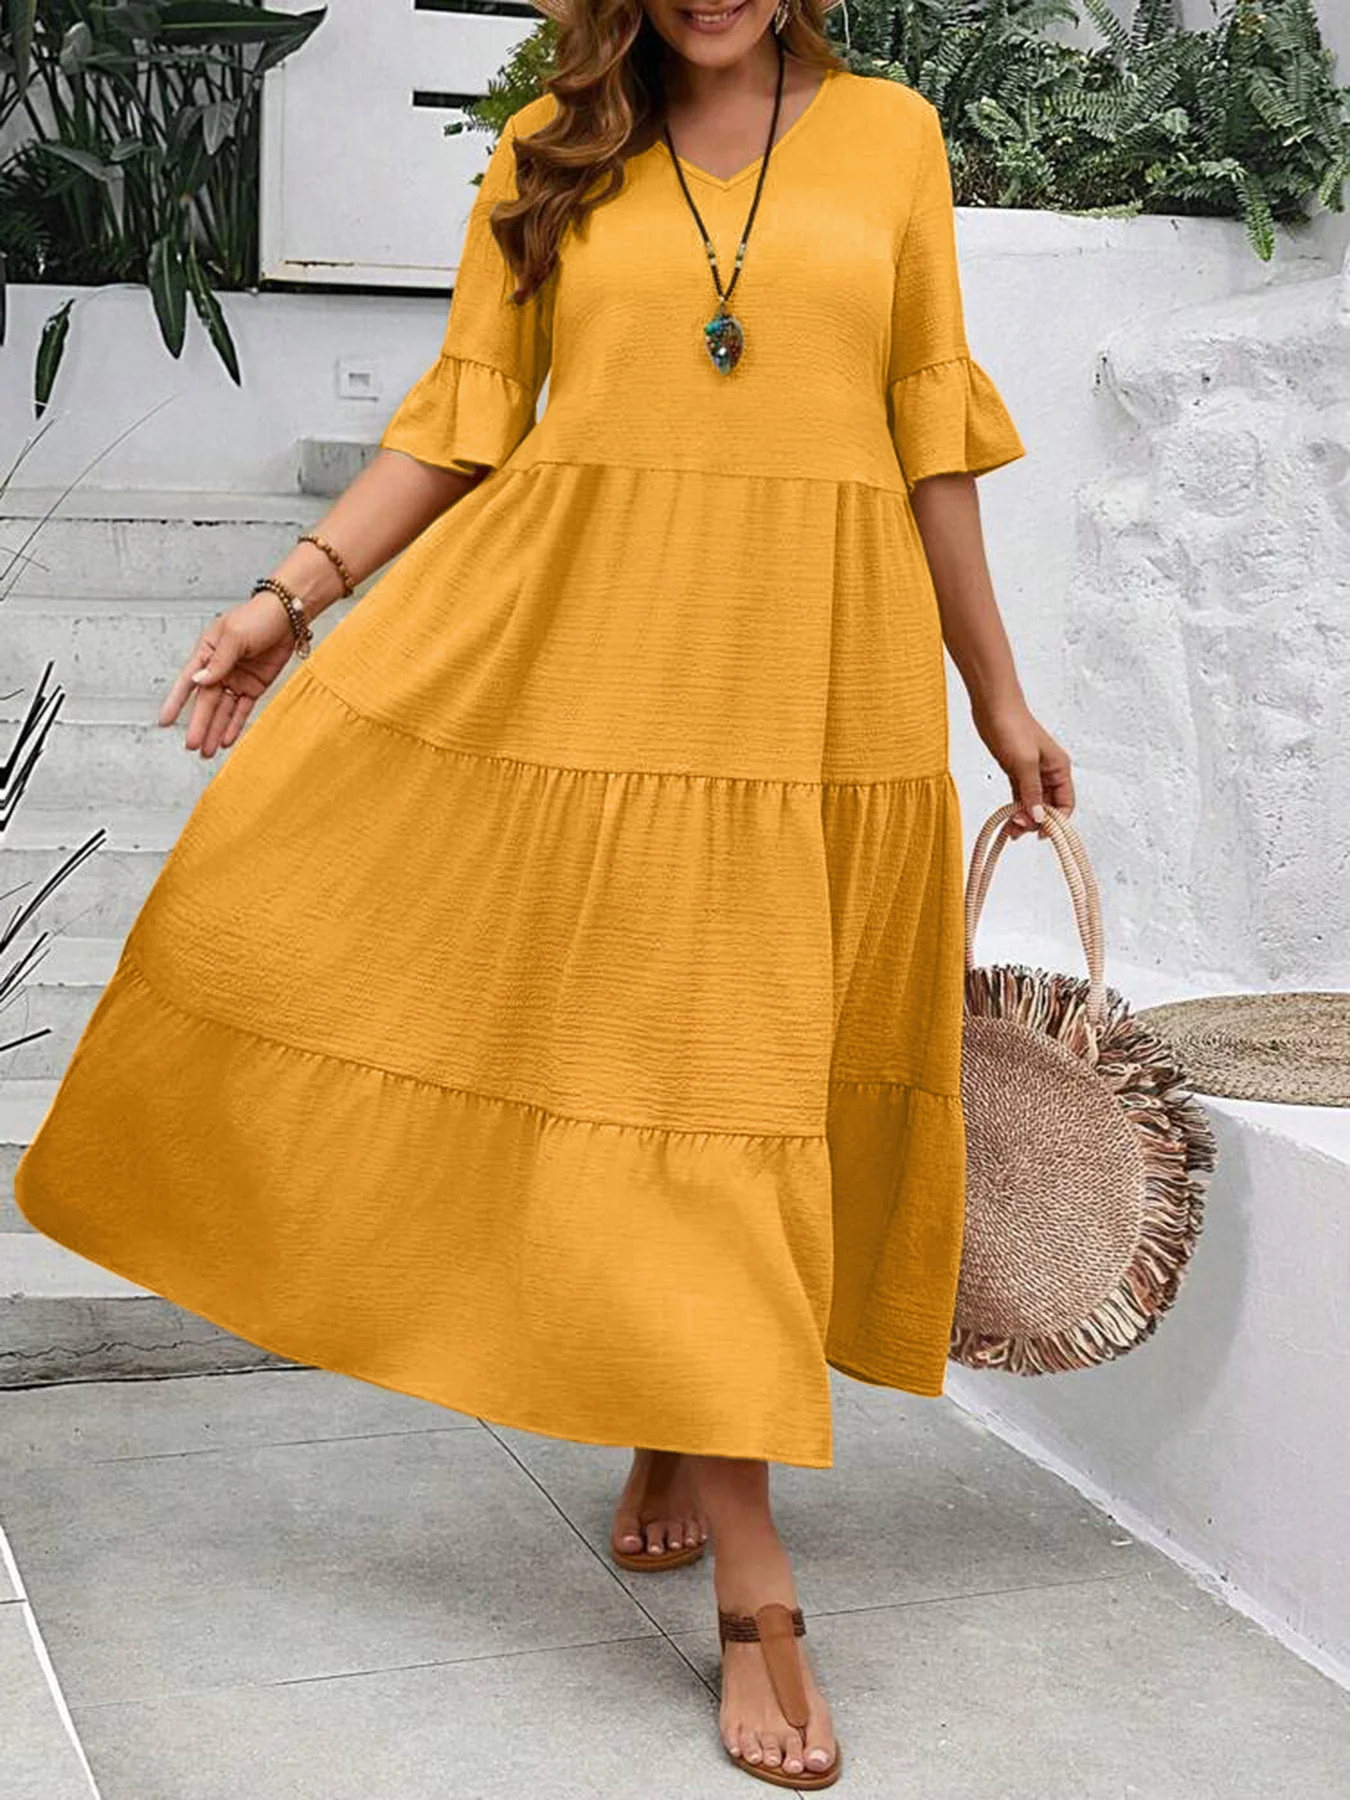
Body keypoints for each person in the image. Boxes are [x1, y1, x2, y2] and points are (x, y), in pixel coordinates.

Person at [15, 0, 1074, 1787]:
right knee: (680, 1083)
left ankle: (676, 1409)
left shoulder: (892, 134)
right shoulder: (552, 144)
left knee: (744, 1087)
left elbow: (928, 432)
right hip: (600, 671)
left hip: (819, 683)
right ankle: (754, 1576)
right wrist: (288, 598)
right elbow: (465, 418)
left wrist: (998, 696)